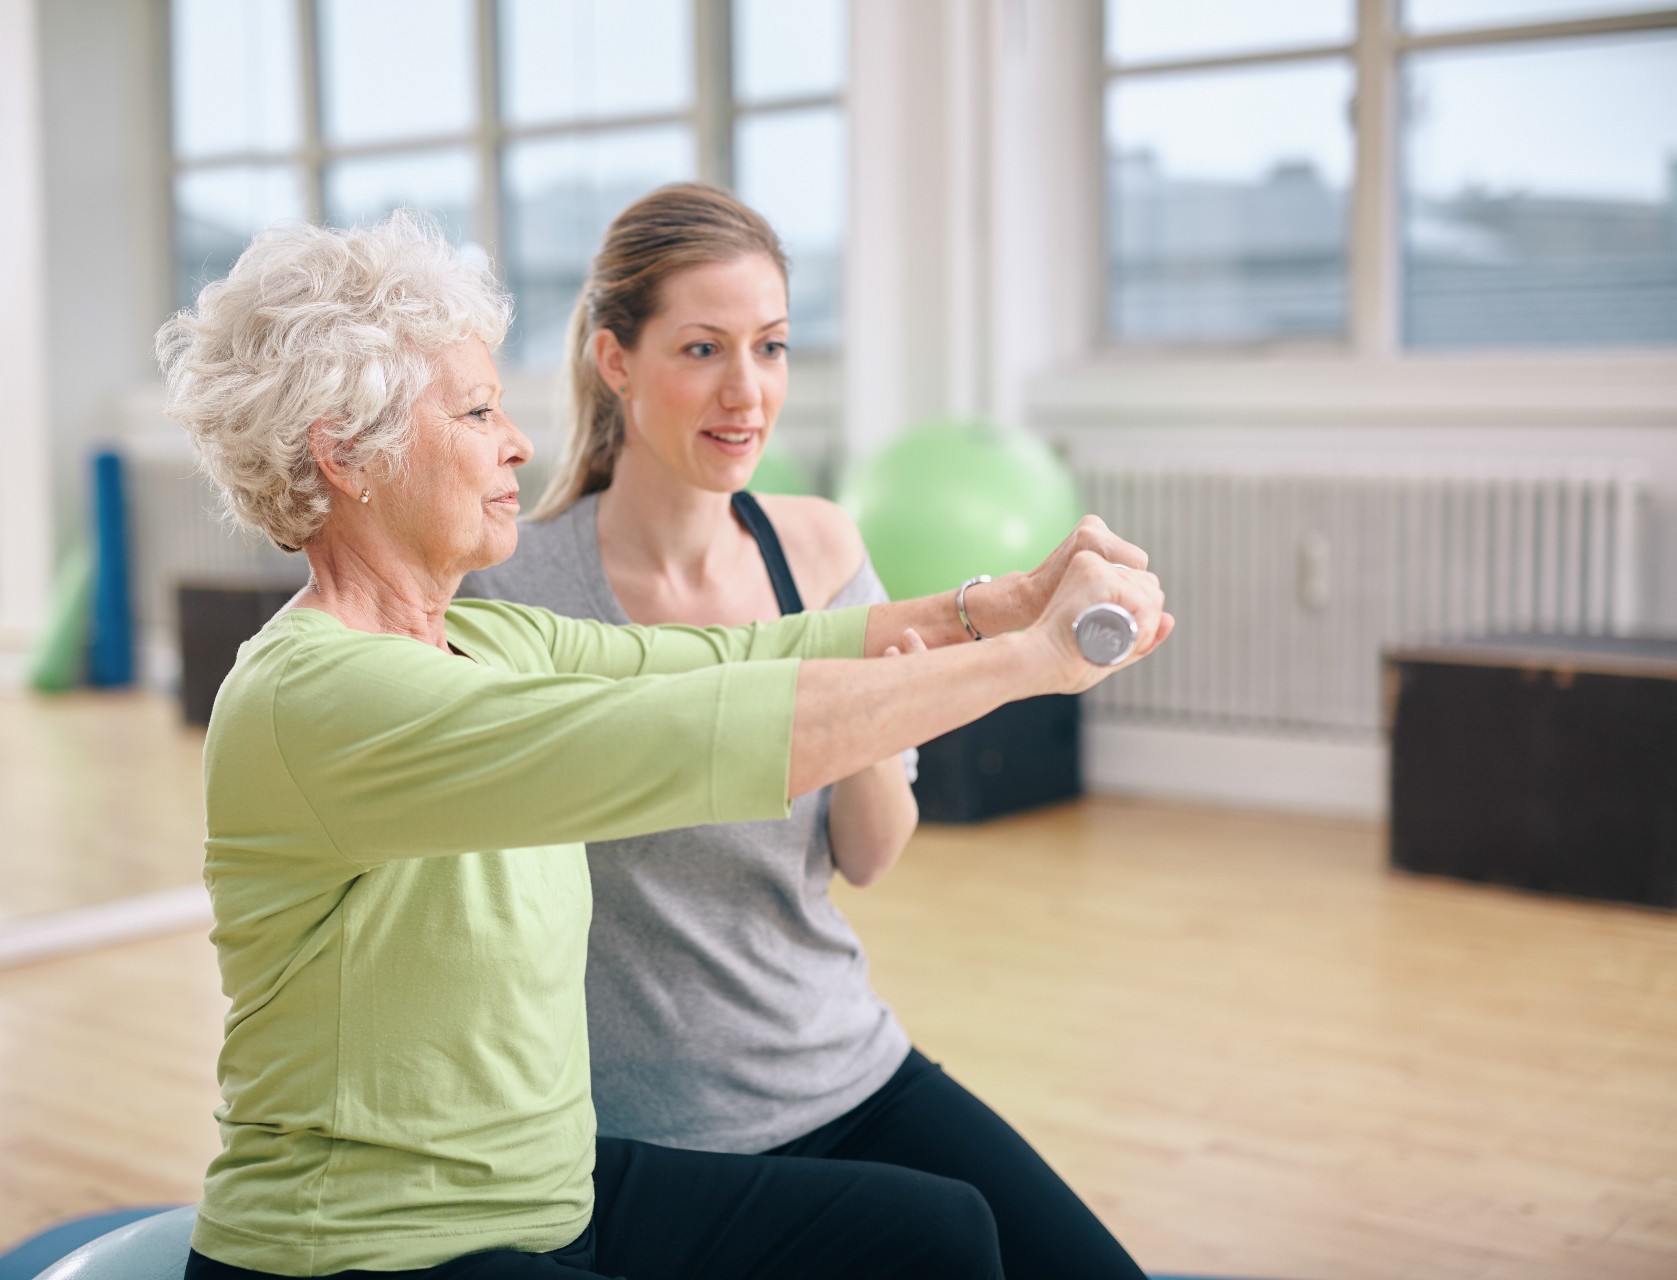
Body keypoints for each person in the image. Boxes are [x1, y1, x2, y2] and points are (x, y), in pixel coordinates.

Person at [155, 209, 1171, 1280]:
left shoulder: (488, 636)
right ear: (347, 455)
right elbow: (686, 736)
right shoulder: (322, 695)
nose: (519, 439)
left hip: (555, 1191)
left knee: (941, 1231)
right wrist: (1037, 662)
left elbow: (741, 658)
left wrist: (1009, 604)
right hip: (369, 1244)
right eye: (476, 409)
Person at [460, 183, 1152, 1279]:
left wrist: (881, 717)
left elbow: (871, 855)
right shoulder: (514, 587)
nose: (747, 391)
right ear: (615, 358)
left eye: (771, 347)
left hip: (844, 1064)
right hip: (651, 1140)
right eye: (701, 348)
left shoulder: (818, 550)